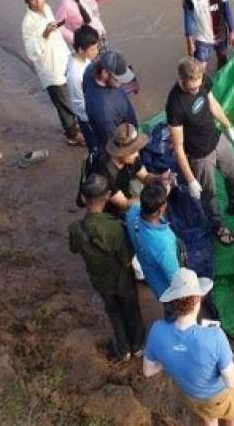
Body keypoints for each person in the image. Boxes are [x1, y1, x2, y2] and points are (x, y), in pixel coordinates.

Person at [144, 269, 234, 426]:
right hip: (217, 396)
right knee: (233, 416)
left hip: (192, 394)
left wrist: (170, 356)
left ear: (173, 302)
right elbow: (231, 382)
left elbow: (148, 371)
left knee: (209, 418)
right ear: (198, 299)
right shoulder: (215, 336)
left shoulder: (156, 330)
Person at [166, 57, 234, 246]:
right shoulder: (175, 105)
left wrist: (228, 127)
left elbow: (212, 103)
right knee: (208, 193)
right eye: (192, 88)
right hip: (199, 154)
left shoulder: (203, 80)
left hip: (216, 138)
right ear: (181, 80)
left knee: (233, 173)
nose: (196, 90)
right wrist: (190, 180)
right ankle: (217, 225)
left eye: (198, 86)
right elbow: (178, 147)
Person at [68, 173, 144, 362]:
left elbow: (74, 249)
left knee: (113, 311)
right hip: (121, 279)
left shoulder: (75, 228)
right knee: (131, 310)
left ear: (84, 198)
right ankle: (138, 346)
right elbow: (127, 260)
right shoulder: (116, 227)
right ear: (107, 198)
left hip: (99, 280)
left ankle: (124, 349)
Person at [20, 0, 82, 146]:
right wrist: (45, 34)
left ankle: (77, 127)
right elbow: (32, 52)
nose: (38, 1)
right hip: (50, 69)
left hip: (63, 59)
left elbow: (57, 35)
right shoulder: (27, 24)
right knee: (63, 104)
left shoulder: (46, 9)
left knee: (73, 95)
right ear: (27, 1)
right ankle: (72, 135)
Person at [88, 123, 170, 213]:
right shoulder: (104, 173)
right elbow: (124, 205)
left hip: (124, 194)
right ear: (121, 152)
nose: (136, 154)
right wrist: (155, 198)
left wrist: (159, 179)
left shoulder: (131, 159)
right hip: (108, 211)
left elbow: (145, 176)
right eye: (132, 150)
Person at [125, 184, 181, 303]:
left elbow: (134, 207)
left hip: (153, 278)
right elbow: (175, 278)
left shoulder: (132, 213)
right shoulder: (163, 244)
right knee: (174, 313)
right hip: (169, 291)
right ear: (163, 208)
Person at [83, 49, 138, 152]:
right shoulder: (103, 113)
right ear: (104, 73)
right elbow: (115, 147)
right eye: (118, 79)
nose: (122, 82)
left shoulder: (90, 69)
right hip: (123, 139)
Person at [66, 25, 102, 153]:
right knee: (96, 149)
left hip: (92, 111)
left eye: (97, 47)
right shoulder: (75, 76)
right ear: (81, 50)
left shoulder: (82, 59)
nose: (96, 51)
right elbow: (78, 103)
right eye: (93, 49)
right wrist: (96, 117)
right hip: (88, 119)